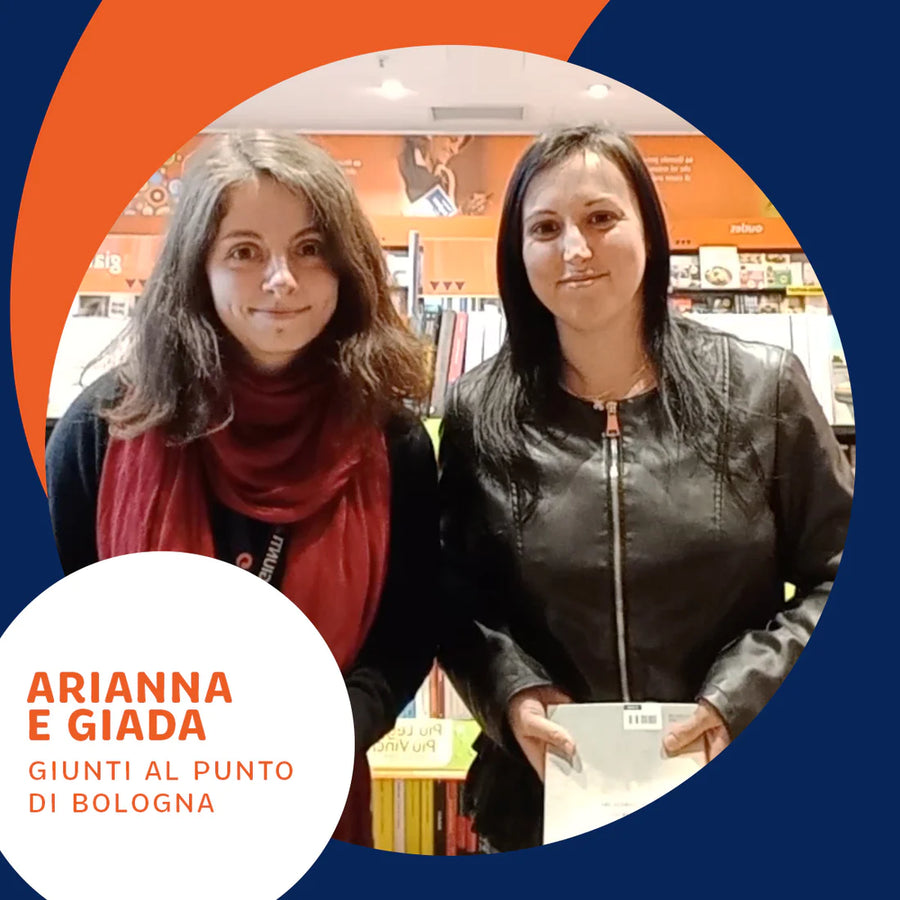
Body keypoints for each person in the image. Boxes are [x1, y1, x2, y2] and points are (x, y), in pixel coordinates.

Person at [436, 124, 853, 851]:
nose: (575, 249)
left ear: (649, 231)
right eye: (546, 227)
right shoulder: (479, 411)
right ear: (517, 251)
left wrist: (739, 698)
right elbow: (453, 596)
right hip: (541, 805)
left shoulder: (762, 389)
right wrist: (512, 692)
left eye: (601, 217)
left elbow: (838, 574)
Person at [46, 130, 440, 848]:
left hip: (315, 804)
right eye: (244, 251)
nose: (281, 279)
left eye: (310, 248)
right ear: (198, 268)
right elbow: (57, 627)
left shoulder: (392, 442)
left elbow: (408, 630)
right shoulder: (101, 432)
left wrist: (325, 732)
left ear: (346, 266)